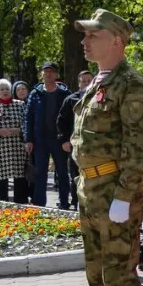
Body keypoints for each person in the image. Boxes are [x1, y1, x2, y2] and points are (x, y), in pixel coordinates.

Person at [72, 9, 143, 286]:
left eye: (94, 35)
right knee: (97, 273)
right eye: (85, 35)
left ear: (117, 41)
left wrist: (124, 195)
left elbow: (138, 147)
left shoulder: (131, 84)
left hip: (113, 192)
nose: (86, 41)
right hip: (91, 190)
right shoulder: (99, 83)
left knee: (119, 271)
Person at [24, 61, 72, 209]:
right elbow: (28, 117)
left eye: (51, 71)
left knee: (63, 172)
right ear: (42, 74)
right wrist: (29, 139)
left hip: (59, 140)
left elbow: (71, 119)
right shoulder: (35, 93)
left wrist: (68, 138)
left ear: (56, 75)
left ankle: (64, 202)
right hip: (40, 140)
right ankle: (39, 203)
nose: (48, 74)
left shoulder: (65, 94)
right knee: (40, 173)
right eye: (46, 71)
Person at [57, 70, 94, 210]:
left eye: (88, 81)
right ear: (78, 83)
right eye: (83, 81)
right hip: (75, 145)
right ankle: (76, 202)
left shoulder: (100, 98)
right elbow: (61, 122)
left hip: (94, 146)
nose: (86, 84)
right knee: (76, 174)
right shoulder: (71, 100)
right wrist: (64, 140)